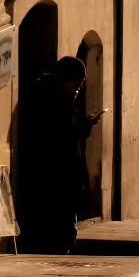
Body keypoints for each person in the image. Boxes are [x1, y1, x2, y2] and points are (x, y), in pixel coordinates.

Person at [15, 56, 92, 254]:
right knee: (54, 231)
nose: (78, 89)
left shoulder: (61, 100)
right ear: (65, 80)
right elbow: (55, 138)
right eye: (77, 83)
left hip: (61, 180)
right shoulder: (49, 100)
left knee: (62, 231)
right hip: (51, 180)